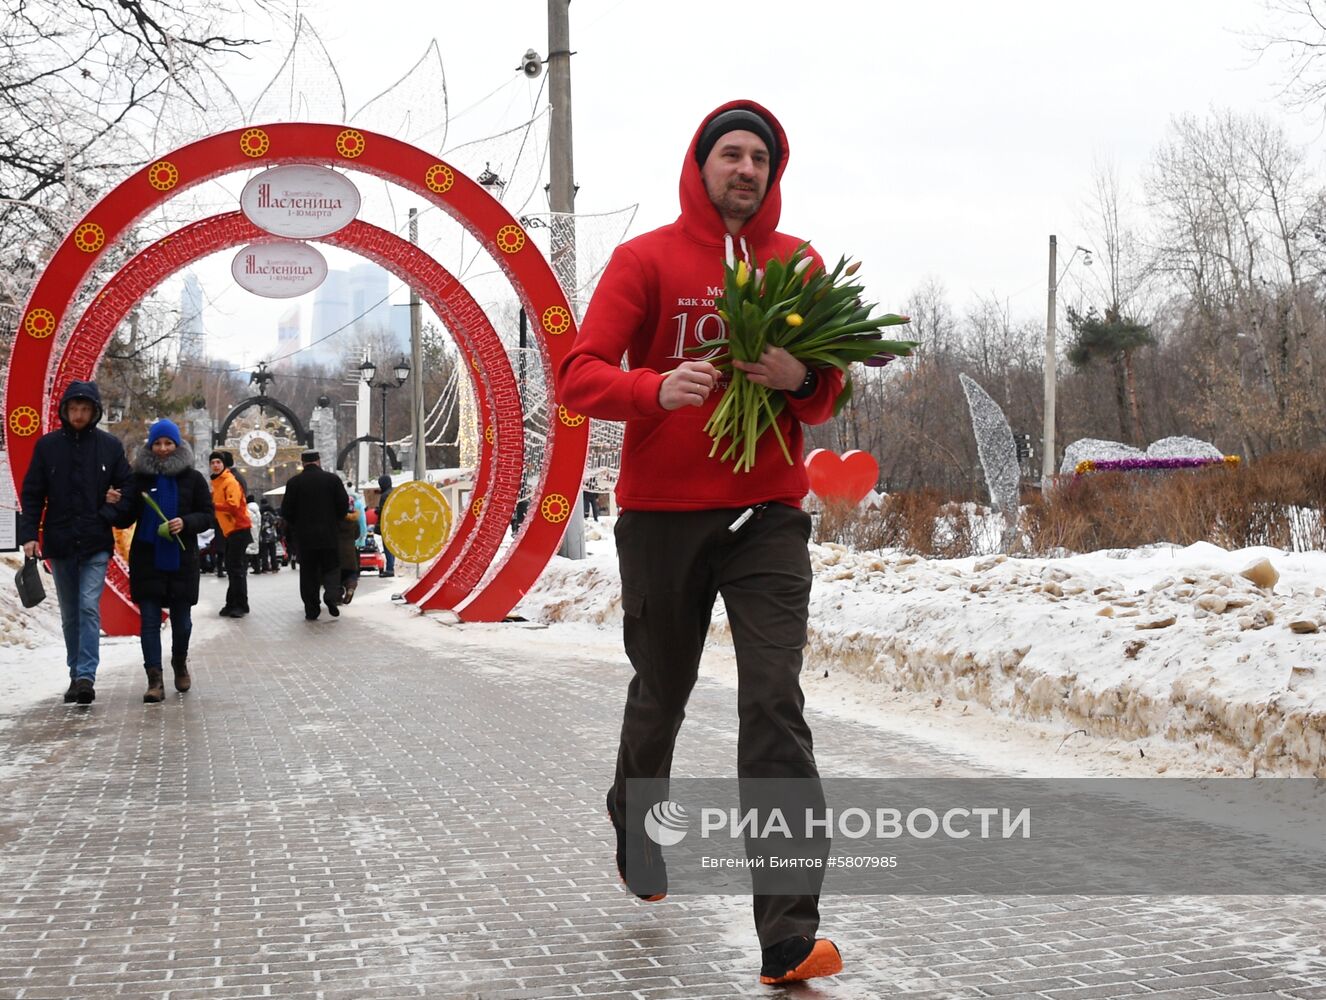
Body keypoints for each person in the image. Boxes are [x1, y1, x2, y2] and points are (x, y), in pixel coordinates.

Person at [558, 101, 844, 986]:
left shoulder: (797, 265)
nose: (746, 169)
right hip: (663, 520)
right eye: (732, 153)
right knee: (664, 695)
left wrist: (799, 378)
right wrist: (653, 389)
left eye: (761, 157)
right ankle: (635, 825)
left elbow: (828, 390)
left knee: (772, 708)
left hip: (768, 516)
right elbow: (578, 374)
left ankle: (789, 936)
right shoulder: (645, 259)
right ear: (701, 164)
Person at [17, 380, 132, 705]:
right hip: (61, 541)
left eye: (85, 409)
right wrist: (28, 535)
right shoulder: (47, 447)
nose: (79, 414)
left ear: (94, 412)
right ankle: (74, 674)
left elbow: (127, 489)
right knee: (70, 613)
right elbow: (33, 492)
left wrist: (110, 511)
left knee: (87, 606)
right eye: (74, 408)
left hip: (96, 541)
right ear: (65, 411)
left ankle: (86, 676)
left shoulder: (109, 446)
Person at [119, 420, 213, 702]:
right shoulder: (138, 479)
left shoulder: (193, 479)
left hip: (182, 558)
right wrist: (115, 501)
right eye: (157, 443)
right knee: (149, 621)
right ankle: (154, 679)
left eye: (168, 443)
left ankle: (179, 662)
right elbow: (126, 517)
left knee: (182, 622)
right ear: (150, 446)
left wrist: (185, 522)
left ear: (177, 445)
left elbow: (207, 516)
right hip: (147, 558)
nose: (162, 449)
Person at [280, 451, 349, 620]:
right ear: (318, 461)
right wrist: (334, 521)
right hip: (329, 535)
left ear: (302, 463)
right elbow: (343, 505)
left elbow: (286, 511)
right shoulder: (332, 480)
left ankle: (312, 608)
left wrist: (297, 525)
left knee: (308, 573)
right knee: (331, 567)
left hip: (305, 539)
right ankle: (331, 595)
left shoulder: (294, 483)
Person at [209, 450, 252, 618]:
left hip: (238, 528)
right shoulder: (218, 482)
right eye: (212, 463)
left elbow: (233, 506)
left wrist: (214, 506)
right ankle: (234, 603)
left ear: (224, 464)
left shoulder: (229, 481)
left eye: (218, 462)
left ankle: (239, 605)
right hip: (230, 530)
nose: (215, 465)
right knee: (233, 568)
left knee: (235, 569)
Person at [338, 481, 366, 604]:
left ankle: (338, 596)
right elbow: (357, 535)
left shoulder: (336, 521)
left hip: (337, 553)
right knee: (351, 574)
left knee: (338, 576)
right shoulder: (353, 522)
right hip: (351, 552)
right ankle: (350, 588)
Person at [375, 474, 395, 577]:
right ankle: (391, 566)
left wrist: (377, 511)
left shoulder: (384, 495)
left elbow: (383, 510)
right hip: (395, 524)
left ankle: (390, 569)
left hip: (387, 524)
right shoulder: (394, 492)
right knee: (392, 547)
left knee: (387, 547)